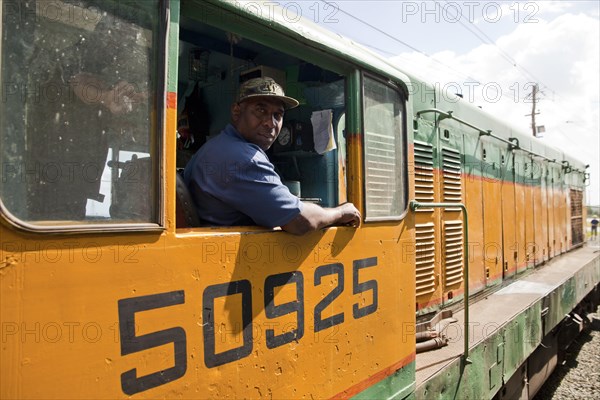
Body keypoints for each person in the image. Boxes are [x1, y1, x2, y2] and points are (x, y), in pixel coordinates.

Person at [184, 77, 361, 235]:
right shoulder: (245, 158)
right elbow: (301, 222)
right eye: (261, 111)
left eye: (278, 115)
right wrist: (340, 212)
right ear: (237, 111)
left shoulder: (212, 148)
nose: (271, 123)